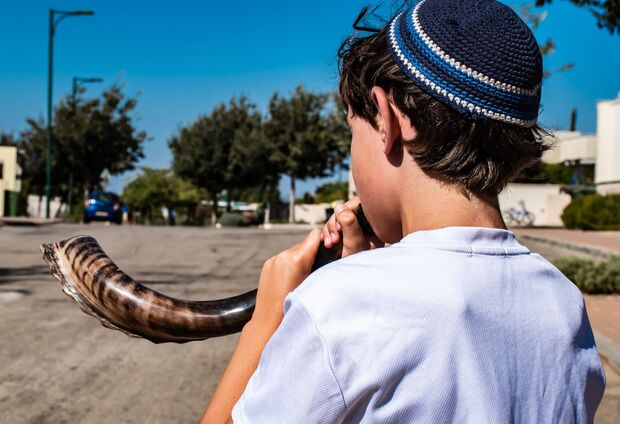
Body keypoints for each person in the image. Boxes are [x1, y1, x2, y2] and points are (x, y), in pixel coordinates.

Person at [201, 0, 606, 422]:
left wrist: (266, 321)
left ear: (387, 118)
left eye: (351, 131)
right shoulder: (563, 304)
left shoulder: (339, 304)